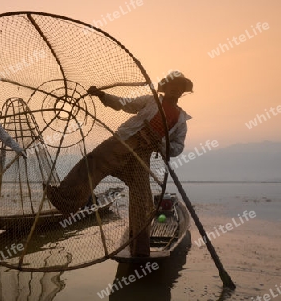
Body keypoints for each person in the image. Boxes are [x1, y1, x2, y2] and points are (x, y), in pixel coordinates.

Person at [45, 71, 193, 256]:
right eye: (172, 86)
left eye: (179, 88)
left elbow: (178, 147)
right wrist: (103, 96)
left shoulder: (181, 119)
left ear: (182, 92)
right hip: (123, 142)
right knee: (92, 163)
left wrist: (162, 143)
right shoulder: (151, 101)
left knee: (143, 199)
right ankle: (65, 199)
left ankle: (139, 249)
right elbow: (126, 104)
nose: (175, 90)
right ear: (166, 87)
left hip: (142, 155)